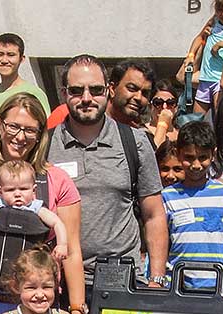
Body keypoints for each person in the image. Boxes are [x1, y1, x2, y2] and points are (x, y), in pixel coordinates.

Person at [0, 93, 84, 314]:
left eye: (30, 130)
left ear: (40, 134)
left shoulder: (57, 179)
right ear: (0, 126)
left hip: (38, 304)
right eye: (14, 126)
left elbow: (71, 250)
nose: (20, 137)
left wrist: (77, 309)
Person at [49, 55, 168, 286]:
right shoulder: (45, 145)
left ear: (108, 91)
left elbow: (154, 215)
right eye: (76, 90)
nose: (86, 98)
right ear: (64, 94)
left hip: (121, 279)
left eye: (95, 90)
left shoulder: (135, 142)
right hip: (59, 281)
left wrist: (157, 279)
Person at [161, 121, 223, 290]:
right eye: (189, 157)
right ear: (179, 154)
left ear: (213, 154)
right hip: (176, 284)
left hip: (216, 284)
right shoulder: (167, 196)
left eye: (202, 157)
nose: (196, 165)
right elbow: (162, 242)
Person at [0, 160, 69, 292]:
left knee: (29, 289)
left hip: (27, 267)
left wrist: (62, 244)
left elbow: (57, 222)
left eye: (24, 189)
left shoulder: (36, 208)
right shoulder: (0, 203)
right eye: (10, 190)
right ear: (0, 191)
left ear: (34, 190)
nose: (17, 194)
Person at [180, 0, 223, 114]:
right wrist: (191, 55)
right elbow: (199, 37)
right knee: (197, 117)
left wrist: (221, 44)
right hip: (206, 78)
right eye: (220, 10)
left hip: (220, 79)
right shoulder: (214, 20)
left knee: (219, 115)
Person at [0, 33, 51, 123]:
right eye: (0, 54)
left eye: (11, 55)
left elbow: (46, 129)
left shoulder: (34, 93)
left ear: (21, 59)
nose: (4, 60)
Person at [105, 59, 154, 129]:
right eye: (132, 89)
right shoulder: (91, 127)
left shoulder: (140, 136)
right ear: (112, 89)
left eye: (145, 93)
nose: (138, 97)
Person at [146, 78, 181, 149]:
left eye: (170, 103)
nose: (164, 107)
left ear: (176, 107)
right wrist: (163, 124)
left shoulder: (181, 135)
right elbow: (153, 155)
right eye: (158, 103)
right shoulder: (142, 132)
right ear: (150, 106)